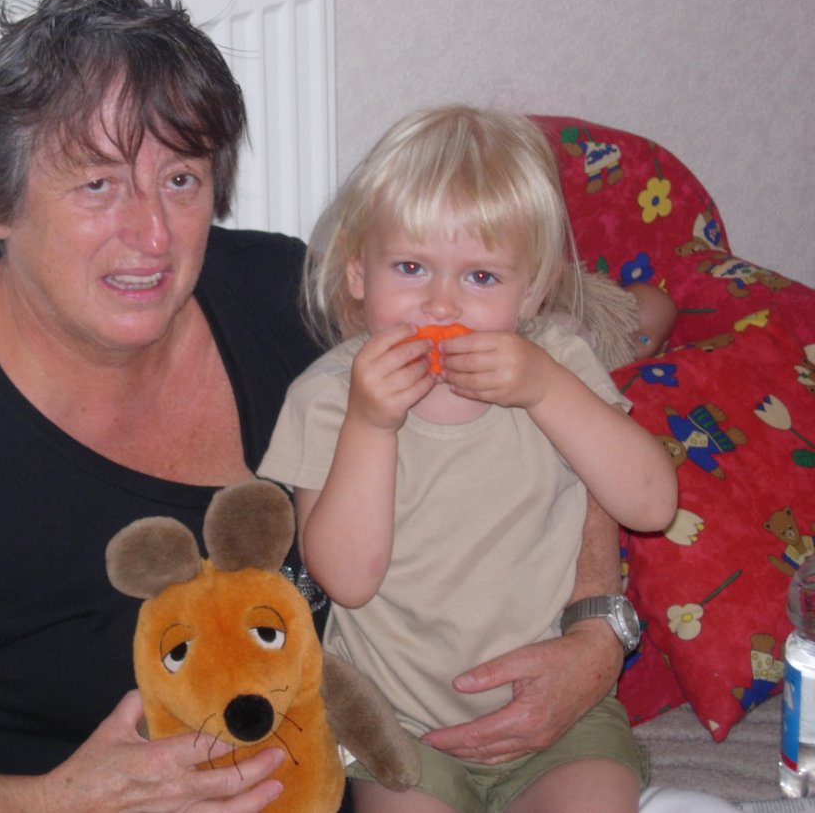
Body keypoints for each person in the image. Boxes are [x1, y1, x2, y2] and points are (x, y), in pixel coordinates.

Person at [0, 0, 631, 813]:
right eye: (98, 184)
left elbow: (546, 385)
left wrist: (597, 626)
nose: (152, 234)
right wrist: (63, 800)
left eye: (181, 179)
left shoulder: (279, 298)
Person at [258, 106, 678, 812]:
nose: (440, 303)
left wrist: (546, 388)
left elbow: (652, 505)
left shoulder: (557, 364)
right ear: (358, 271)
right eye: (411, 267)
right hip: (398, 733)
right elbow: (347, 580)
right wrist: (371, 424)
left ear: (532, 289)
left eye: (481, 277)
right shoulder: (328, 397)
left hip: (562, 729)